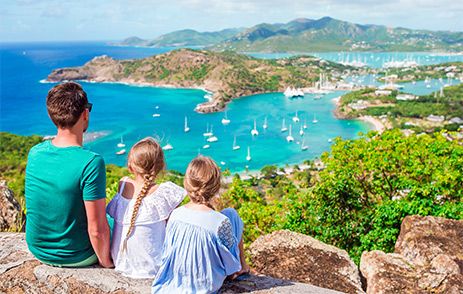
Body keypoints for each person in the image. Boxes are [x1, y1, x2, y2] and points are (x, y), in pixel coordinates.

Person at [25, 82, 113, 268]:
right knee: (115, 220)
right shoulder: (91, 162)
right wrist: (106, 264)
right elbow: (97, 230)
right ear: (85, 114)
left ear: (52, 116)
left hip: (38, 249)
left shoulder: (35, 153)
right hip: (75, 255)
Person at [151, 156, 250, 294]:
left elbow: (168, 251)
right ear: (216, 187)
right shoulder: (221, 222)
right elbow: (228, 255)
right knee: (232, 214)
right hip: (205, 286)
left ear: (187, 184)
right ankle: (243, 267)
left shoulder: (175, 215)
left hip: (174, 283)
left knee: (229, 215)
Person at [107, 137, 186, 278]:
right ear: (161, 166)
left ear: (130, 167)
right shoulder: (165, 193)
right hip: (152, 267)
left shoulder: (123, 184)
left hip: (121, 262)